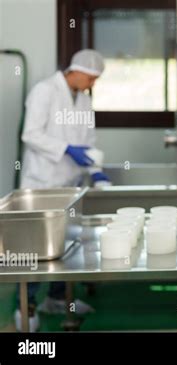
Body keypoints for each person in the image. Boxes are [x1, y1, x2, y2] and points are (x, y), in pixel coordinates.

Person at [16, 49, 110, 331]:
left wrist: (96, 170)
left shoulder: (83, 100)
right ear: (77, 70)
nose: (92, 85)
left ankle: (57, 299)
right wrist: (65, 149)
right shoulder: (44, 91)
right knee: (34, 248)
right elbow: (30, 134)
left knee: (65, 245)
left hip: (69, 185)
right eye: (92, 78)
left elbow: (88, 141)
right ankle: (28, 303)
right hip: (41, 183)